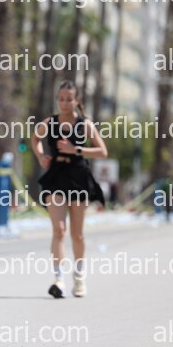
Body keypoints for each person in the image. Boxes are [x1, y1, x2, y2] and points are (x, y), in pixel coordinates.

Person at [31, 80, 107, 299]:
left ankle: (79, 277)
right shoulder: (50, 122)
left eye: (69, 99)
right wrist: (40, 156)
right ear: (57, 100)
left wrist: (76, 149)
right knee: (59, 230)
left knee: (77, 234)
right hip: (56, 176)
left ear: (76, 101)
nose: (64, 103)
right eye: (61, 99)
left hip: (78, 177)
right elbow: (35, 138)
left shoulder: (85, 124)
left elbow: (102, 152)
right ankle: (59, 280)